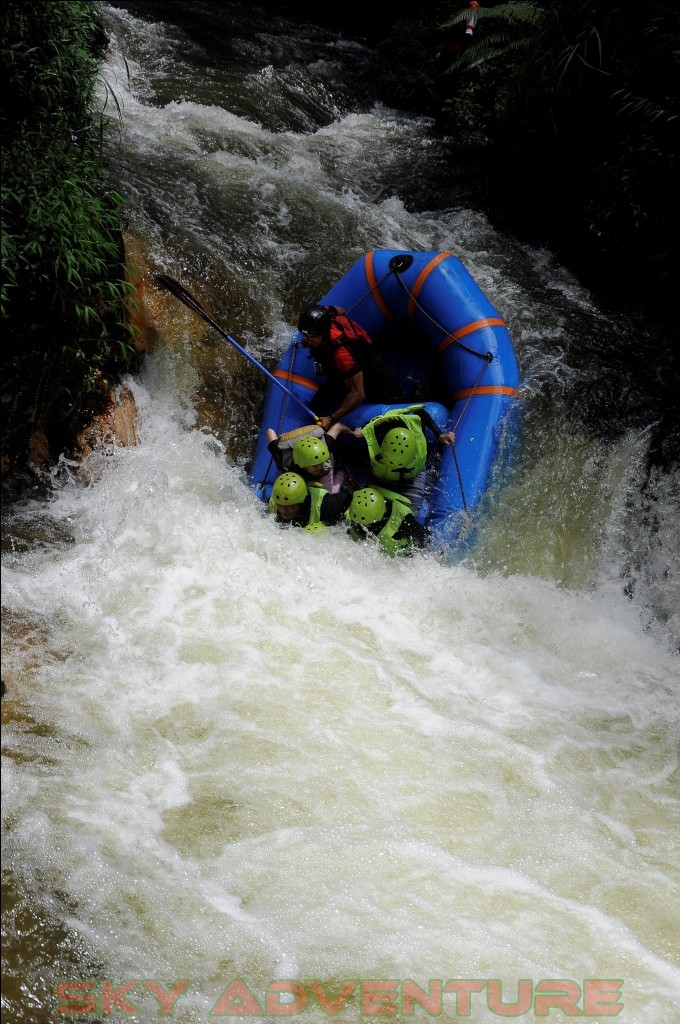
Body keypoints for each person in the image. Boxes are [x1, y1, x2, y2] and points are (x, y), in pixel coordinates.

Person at [297, 303, 404, 431]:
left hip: (371, 371)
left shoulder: (342, 354)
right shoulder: (325, 313)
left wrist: (332, 418)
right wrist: (309, 338)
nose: (308, 340)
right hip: (342, 374)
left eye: (312, 337)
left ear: (325, 332)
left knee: (395, 405)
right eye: (305, 336)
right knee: (317, 405)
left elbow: (358, 393)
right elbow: (341, 310)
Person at [353, 404, 455, 516]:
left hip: (412, 476)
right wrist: (360, 430)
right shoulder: (375, 431)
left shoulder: (415, 427)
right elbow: (370, 424)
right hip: (381, 478)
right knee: (366, 512)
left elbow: (421, 413)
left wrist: (439, 434)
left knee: (410, 516)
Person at [265, 421, 358, 495]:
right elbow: (270, 432)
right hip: (298, 459)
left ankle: (342, 474)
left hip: (322, 456)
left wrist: (353, 432)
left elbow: (338, 426)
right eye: (314, 466)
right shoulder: (282, 458)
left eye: (319, 464)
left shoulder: (325, 446)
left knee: (328, 494)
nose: (319, 467)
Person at [345, 486, 429, 557]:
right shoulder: (353, 503)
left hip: (401, 558)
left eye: (365, 523)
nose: (361, 525)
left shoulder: (402, 519)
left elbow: (423, 536)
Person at [268, 471, 352, 531]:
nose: (283, 510)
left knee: (314, 531)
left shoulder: (325, 504)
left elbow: (350, 497)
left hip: (326, 529)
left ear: (301, 502)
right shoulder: (274, 501)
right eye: (280, 505)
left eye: (290, 506)